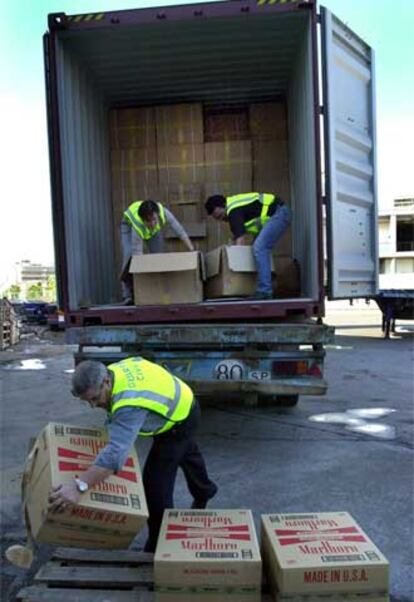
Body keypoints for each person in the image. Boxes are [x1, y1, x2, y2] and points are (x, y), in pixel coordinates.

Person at [48, 358, 217, 553]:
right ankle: (205, 491)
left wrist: (79, 487)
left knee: (155, 488)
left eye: (95, 399)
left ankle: (157, 547)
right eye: (88, 402)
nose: (94, 406)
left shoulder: (129, 403)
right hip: (181, 402)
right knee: (188, 454)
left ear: (106, 382)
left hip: (179, 421)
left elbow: (113, 458)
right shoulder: (111, 372)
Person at [205, 192, 291, 300]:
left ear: (222, 205)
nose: (222, 220)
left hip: (279, 214)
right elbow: (238, 236)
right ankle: (263, 288)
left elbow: (240, 242)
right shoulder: (234, 208)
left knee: (259, 248)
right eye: (218, 219)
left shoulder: (233, 211)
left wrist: (233, 270)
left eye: (220, 216)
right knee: (258, 250)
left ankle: (265, 291)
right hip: (278, 213)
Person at [120, 199, 195, 303]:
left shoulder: (164, 213)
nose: (152, 223)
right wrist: (141, 293)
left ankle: (158, 290)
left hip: (150, 230)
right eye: (148, 221)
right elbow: (138, 257)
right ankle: (128, 295)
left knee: (158, 258)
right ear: (143, 220)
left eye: (154, 219)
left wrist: (191, 249)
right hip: (128, 226)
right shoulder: (137, 223)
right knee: (130, 258)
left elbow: (179, 230)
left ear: (157, 214)